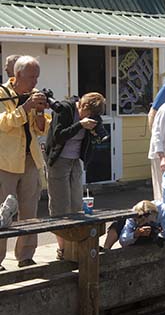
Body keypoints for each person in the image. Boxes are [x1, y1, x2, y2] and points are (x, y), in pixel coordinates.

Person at [0, 55, 51, 270]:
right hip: (6, 162)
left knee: (30, 212)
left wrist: (39, 112)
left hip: (30, 160)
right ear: (18, 75)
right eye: (32, 77)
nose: (35, 82)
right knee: (2, 213)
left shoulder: (32, 94)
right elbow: (3, 123)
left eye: (37, 77)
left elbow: (41, 128)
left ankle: (26, 256)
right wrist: (25, 108)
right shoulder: (2, 93)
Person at [45, 92, 105, 260]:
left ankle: (76, 247)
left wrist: (94, 133)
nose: (92, 118)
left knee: (77, 205)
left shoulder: (90, 117)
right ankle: (62, 249)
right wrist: (80, 125)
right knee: (60, 206)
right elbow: (58, 136)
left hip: (75, 161)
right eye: (90, 114)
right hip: (59, 160)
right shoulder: (65, 109)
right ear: (83, 107)